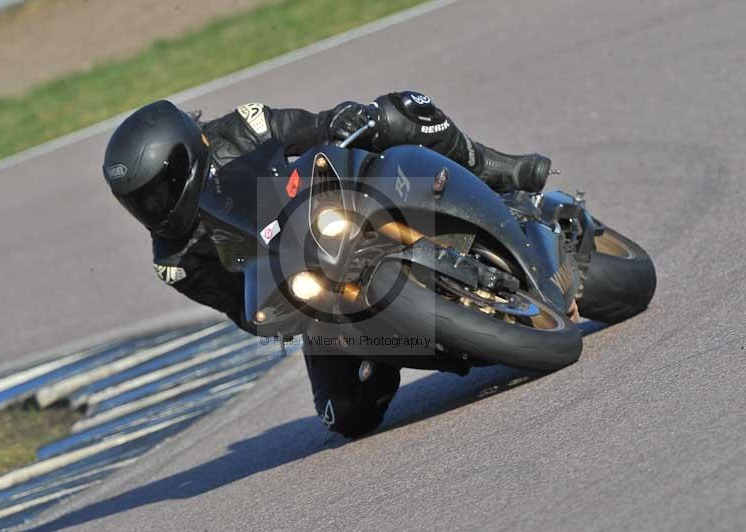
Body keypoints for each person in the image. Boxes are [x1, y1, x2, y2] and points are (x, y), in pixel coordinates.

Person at [102, 91, 552, 437]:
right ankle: (427, 337)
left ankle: (496, 171)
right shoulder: (176, 260)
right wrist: (272, 309)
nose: (151, 208)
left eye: (157, 191)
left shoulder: (242, 129)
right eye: (137, 202)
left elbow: (314, 127)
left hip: (344, 211)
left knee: (394, 112)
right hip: (312, 292)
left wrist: (339, 120)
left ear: (184, 158)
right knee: (345, 416)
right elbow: (243, 313)